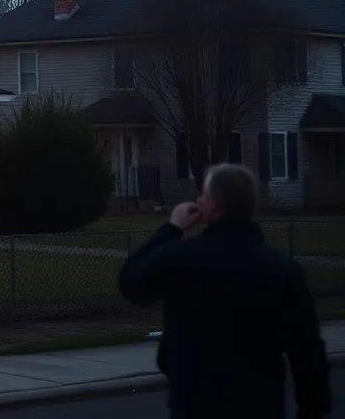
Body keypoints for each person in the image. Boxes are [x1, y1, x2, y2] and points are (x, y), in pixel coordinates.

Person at [119, 163, 331, 419]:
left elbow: (131, 283)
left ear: (214, 205)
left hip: (195, 403)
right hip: (259, 404)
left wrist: (171, 229)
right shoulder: (282, 269)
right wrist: (313, 411)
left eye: (204, 195)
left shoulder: (181, 258)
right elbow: (308, 353)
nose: (198, 199)